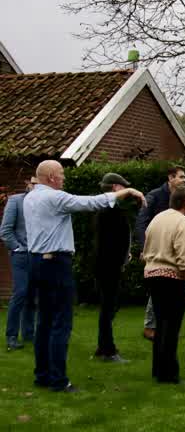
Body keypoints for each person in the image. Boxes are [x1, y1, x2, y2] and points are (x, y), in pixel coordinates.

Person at [24, 160, 145, 392]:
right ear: (50, 177)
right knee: (61, 323)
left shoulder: (30, 198)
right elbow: (90, 202)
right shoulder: (54, 198)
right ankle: (59, 381)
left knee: (45, 322)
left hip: (36, 261)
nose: (64, 178)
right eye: (61, 174)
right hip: (56, 263)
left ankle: (42, 375)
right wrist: (126, 192)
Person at [142, 185, 185, 384]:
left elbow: (146, 246)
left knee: (160, 324)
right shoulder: (184, 223)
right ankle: (169, 374)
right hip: (173, 278)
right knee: (171, 327)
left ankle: (158, 370)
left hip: (152, 275)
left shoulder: (157, 219)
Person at [135, 165, 185, 341]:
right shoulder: (155, 196)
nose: (184, 180)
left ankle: (168, 326)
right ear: (170, 178)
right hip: (156, 250)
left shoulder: (181, 197)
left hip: (173, 249)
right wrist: (144, 248)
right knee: (158, 288)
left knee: (173, 288)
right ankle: (150, 326)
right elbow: (141, 223)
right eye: (181, 177)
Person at [93, 173, 135, 362]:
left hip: (110, 265)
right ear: (116, 188)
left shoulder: (110, 210)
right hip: (108, 266)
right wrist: (120, 260)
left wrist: (125, 254)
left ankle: (104, 346)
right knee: (108, 307)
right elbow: (110, 243)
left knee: (110, 307)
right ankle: (107, 350)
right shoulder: (107, 211)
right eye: (123, 187)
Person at [1, 176, 38, 351]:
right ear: (28, 184)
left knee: (32, 295)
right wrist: (16, 248)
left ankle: (29, 333)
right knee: (20, 293)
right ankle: (11, 335)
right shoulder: (15, 201)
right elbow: (6, 230)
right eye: (34, 183)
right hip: (21, 255)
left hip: (38, 254)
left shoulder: (43, 204)